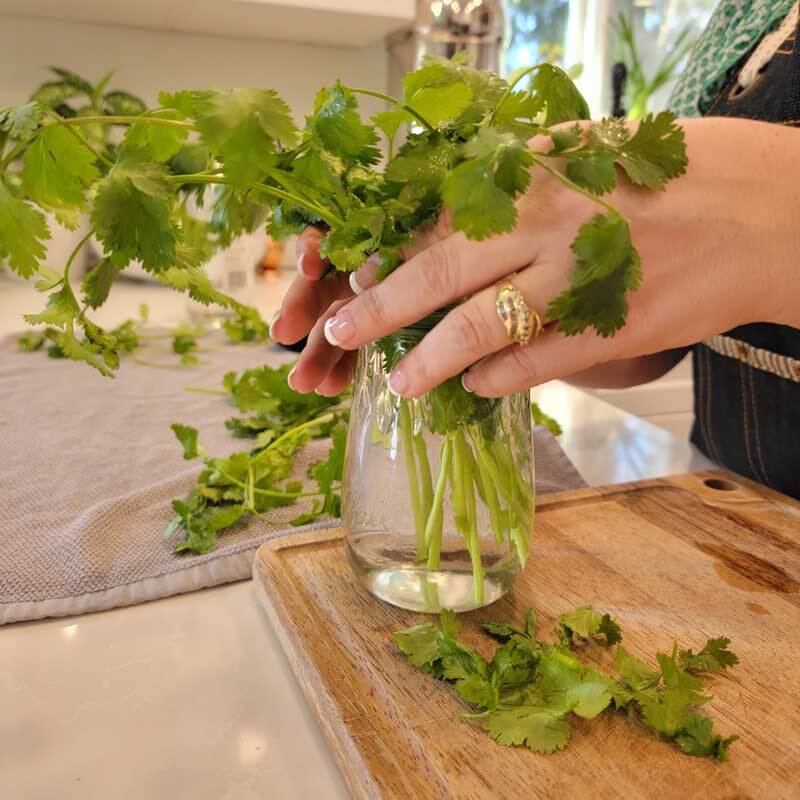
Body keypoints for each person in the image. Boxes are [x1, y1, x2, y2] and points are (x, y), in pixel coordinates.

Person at [270, 0, 800, 500]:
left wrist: (758, 211)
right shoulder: (743, 16)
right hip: (732, 514)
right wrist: (455, 297)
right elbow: (648, 325)